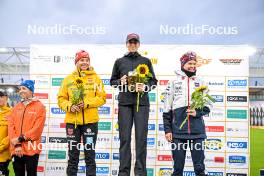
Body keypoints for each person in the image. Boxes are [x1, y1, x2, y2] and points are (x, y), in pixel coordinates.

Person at [110, 33, 157, 176]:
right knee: (124, 139)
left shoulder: (146, 61)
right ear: (126, 44)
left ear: (139, 44)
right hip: (124, 104)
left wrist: (145, 87)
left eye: (135, 42)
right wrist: (120, 82)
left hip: (141, 104)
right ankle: (123, 173)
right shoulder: (119, 61)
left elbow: (153, 81)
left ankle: (140, 173)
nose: (132, 44)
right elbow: (112, 81)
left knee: (141, 139)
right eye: (130, 42)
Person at [58, 50, 106, 176]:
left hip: (90, 123)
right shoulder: (68, 79)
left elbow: (102, 98)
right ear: (76, 62)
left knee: (90, 155)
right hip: (72, 123)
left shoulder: (96, 78)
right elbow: (61, 99)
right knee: (73, 156)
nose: (84, 62)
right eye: (81, 60)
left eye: (87, 60)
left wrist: (87, 103)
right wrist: (70, 106)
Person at [162, 51, 210, 176]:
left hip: (197, 132)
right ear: (183, 64)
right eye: (190, 63)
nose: (192, 66)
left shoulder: (201, 81)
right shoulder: (173, 81)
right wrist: (167, 130)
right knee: (177, 169)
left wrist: (197, 112)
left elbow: (209, 104)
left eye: (194, 63)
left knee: (199, 168)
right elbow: (167, 108)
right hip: (178, 132)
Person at [8, 80, 46, 176]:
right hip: (16, 148)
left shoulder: (39, 106)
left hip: (32, 148)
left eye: (24, 88)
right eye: (20, 89)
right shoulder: (16, 107)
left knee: (31, 174)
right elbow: (11, 126)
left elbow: (37, 129)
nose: (21, 91)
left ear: (31, 90)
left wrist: (20, 138)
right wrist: (17, 144)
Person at [0, 91, 11, 176]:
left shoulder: (12, 113)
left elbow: (12, 133)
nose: (0, 99)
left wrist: (2, 146)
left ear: (6, 98)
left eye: (1, 97)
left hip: (3, 153)